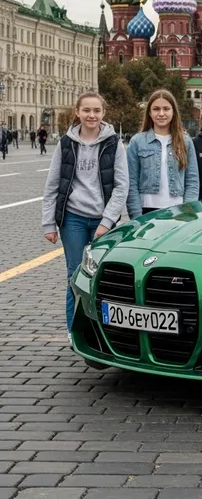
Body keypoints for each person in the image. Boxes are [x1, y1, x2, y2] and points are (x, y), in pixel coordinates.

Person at [41, 92, 129, 336]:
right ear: (77, 112)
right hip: (74, 219)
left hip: (103, 220)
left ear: (103, 113)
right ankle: (74, 331)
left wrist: (108, 221)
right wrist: (48, 223)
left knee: (104, 277)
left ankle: (106, 332)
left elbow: (122, 186)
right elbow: (53, 184)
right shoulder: (66, 143)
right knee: (75, 275)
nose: (92, 115)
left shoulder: (113, 143)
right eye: (87, 110)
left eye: (97, 111)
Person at [126, 90, 199, 218]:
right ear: (149, 112)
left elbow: (192, 181)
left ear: (173, 112)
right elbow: (131, 182)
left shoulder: (186, 142)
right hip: (146, 211)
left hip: (179, 210)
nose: (161, 113)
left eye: (166, 109)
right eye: (156, 109)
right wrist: (136, 216)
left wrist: (188, 210)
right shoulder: (137, 142)